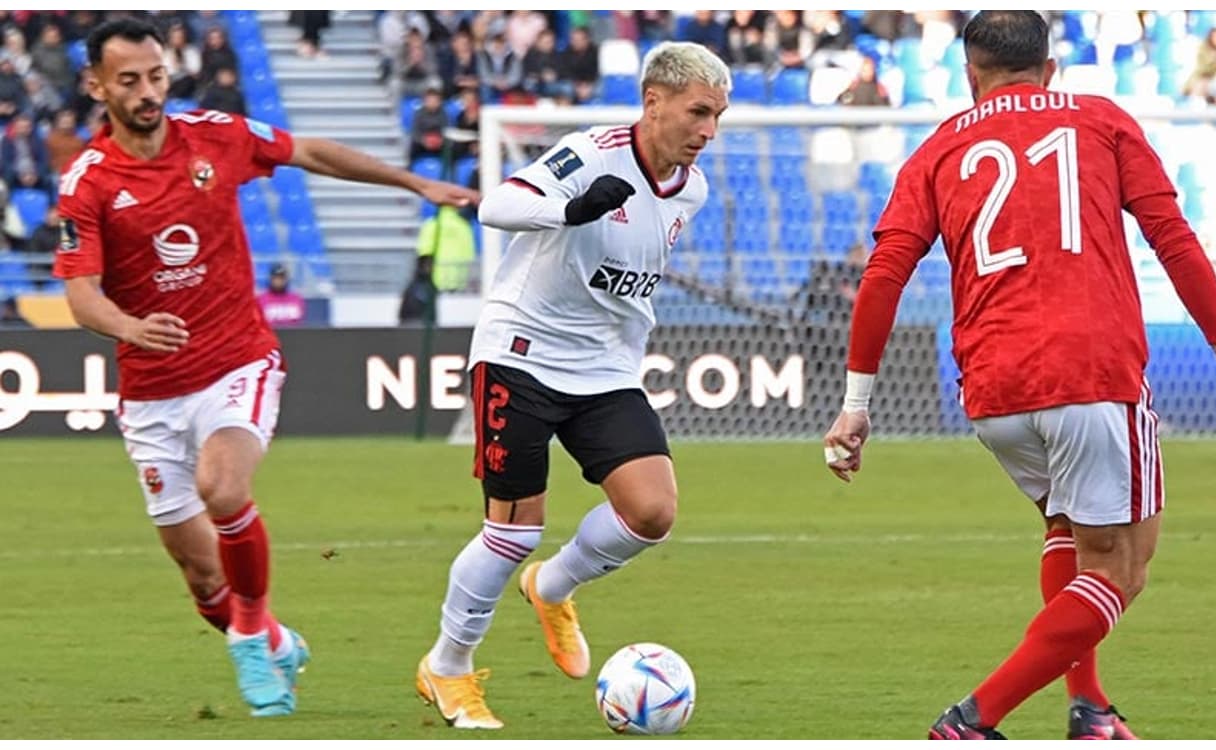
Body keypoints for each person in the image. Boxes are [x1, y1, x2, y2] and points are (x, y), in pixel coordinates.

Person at [821, 11, 1216, 741]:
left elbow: (884, 271)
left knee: (1067, 530)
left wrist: (857, 404)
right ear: (1051, 67)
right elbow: (1171, 234)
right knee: (1122, 569)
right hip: (1090, 370)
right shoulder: (1101, 120)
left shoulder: (939, 148)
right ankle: (973, 720)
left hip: (991, 390)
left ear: (970, 75)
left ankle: (1092, 710)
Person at [54, 18, 477, 718]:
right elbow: (78, 294)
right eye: (128, 81)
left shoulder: (214, 135)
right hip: (151, 393)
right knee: (200, 577)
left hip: (236, 362)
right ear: (96, 86)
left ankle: (251, 638)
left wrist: (411, 183)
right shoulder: (89, 183)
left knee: (222, 488)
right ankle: (272, 636)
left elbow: (310, 150)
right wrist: (131, 326)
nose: (148, 91)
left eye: (156, 75)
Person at [414, 40, 730, 730]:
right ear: (654, 101)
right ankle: (448, 667)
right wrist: (571, 210)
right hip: (521, 353)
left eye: (718, 117)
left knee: (652, 512)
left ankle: (552, 586)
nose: (708, 131)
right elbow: (497, 205)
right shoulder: (591, 151)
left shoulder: (694, 188)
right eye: (698, 112)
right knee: (512, 531)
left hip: (605, 368)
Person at [255, 263, 306, 328]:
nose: (278, 281)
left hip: (293, 336)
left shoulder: (296, 299)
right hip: (269, 336)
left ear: (286, 279)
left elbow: (300, 323)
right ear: (271, 279)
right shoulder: (260, 300)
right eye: (276, 278)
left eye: (281, 278)